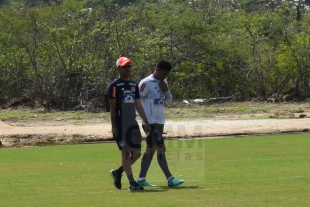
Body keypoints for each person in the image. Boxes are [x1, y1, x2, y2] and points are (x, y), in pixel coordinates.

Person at [137, 60, 184, 187]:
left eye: (166, 75)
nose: (164, 77)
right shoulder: (146, 83)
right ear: (156, 69)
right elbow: (137, 101)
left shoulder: (164, 83)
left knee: (151, 149)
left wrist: (167, 90)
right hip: (150, 122)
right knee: (160, 148)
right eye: (163, 74)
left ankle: (141, 179)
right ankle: (170, 179)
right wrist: (145, 120)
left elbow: (169, 102)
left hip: (159, 121)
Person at [108, 56, 151, 191]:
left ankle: (118, 172)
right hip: (121, 124)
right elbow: (113, 108)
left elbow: (138, 104)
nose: (128, 69)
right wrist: (114, 126)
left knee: (137, 153)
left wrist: (146, 120)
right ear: (118, 68)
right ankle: (132, 183)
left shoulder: (133, 85)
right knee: (126, 154)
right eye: (125, 66)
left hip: (132, 123)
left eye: (129, 66)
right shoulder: (114, 86)